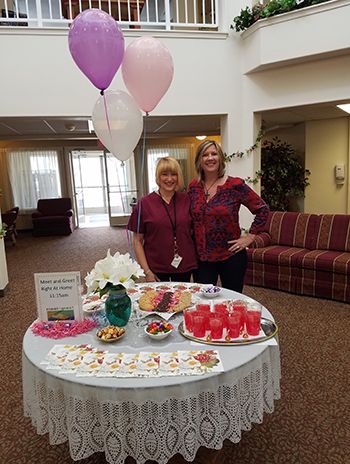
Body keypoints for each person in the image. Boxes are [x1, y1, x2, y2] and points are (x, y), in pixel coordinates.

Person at [188, 139, 269, 293]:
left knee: (232, 300)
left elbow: (263, 209)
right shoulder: (193, 187)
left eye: (214, 154)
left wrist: (250, 236)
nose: (210, 158)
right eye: (205, 155)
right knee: (203, 302)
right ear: (199, 160)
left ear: (220, 158)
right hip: (202, 258)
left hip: (231, 255)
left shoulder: (235, 185)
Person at [127, 157, 197, 283]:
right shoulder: (144, 203)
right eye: (164, 174)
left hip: (184, 265)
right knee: (158, 301)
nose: (169, 179)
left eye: (173, 174)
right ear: (158, 177)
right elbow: (137, 241)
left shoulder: (187, 200)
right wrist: (147, 271)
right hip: (155, 267)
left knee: (182, 300)